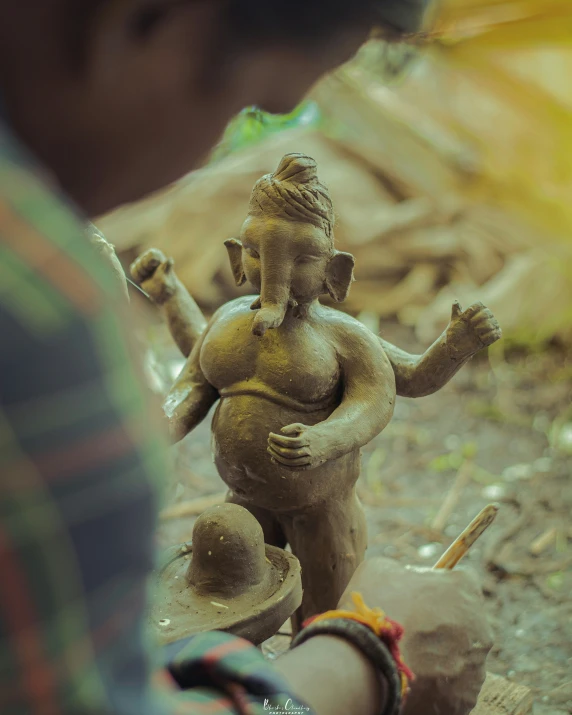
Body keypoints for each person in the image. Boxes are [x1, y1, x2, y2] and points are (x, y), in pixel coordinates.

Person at [0, 2, 493, 715]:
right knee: (226, 587)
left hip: (320, 510)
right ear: (140, 20)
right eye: (247, 103)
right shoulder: (44, 330)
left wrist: (433, 360)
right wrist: (363, 658)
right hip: (244, 502)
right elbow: (198, 372)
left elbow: (390, 386)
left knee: (319, 600)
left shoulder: (340, 339)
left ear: (333, 273)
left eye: (298, 260)